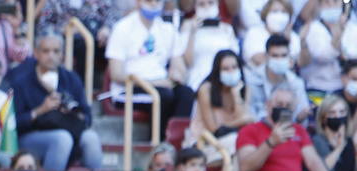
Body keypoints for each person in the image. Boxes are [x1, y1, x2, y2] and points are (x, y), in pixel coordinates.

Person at [8, 32, 102, 171]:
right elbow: (13, 124)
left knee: (91, 138)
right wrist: (40, 110)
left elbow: (87, 117)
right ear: (36, 53)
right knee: (61, 139)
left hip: (69, 132)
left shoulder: (71, 79)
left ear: (62, 55)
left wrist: (71, 112)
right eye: (46, 51)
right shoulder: (22, 80)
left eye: (56, 51)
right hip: (30, 138)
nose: (51, 56)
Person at [105, 0, 191, 129]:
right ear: (138, 2)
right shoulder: (122, 27)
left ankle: (176, 141)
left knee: (186, 93)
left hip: (163, 84)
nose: (153, 4)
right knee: (163, 95)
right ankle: (158, 144)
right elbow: (116, 74)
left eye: (157, 1)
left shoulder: (168, 29)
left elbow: (180, 66)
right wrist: (154, 83)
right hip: (128, 89)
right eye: (149, 0)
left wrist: (177, 74)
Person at [299, 0, 357, 95]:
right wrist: (337, 39)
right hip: (319, 88)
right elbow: (323, 56)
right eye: (327, 3)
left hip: (348, 89)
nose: (331, 6)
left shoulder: (353, 28)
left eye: (335, 2)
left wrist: (347, 56)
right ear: (320, 6)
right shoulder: (313, 28)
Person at [190, 50, 254, 156]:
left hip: (233, 139)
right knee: (238, 143)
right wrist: (241, 121)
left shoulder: (244, 89)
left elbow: (244, 124)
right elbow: (213, 129)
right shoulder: (206, 89)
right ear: (218, 71)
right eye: (225, 69)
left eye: (234, 67)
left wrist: (236, 95)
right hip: (205, 143)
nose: (231, 71)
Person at [246, 34, 310, 123]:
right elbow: (249, 113)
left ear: (289, 57)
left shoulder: (296, 83)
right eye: (275, 56)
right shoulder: (252, 80)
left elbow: (302, 118)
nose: (279, 59)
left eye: (284, 55)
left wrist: (300, 118)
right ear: (266, 57)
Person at [180, 0, 240, 93]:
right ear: (195, 6)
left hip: (224, 79)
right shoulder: (188, 26)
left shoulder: (227, 29)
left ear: (217, 4)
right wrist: (192, 32)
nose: (206, 6)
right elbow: (188, 62)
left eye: (210, 2)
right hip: (198, 79)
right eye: (201, 4)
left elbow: (234, 58)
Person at [241, 0, 303, 69]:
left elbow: (301, 62)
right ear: (266, 14)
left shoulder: (293, 36)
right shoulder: (254, 33)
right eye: (275, 11)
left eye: (284, 12)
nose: (279, 16)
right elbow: (258, 59)